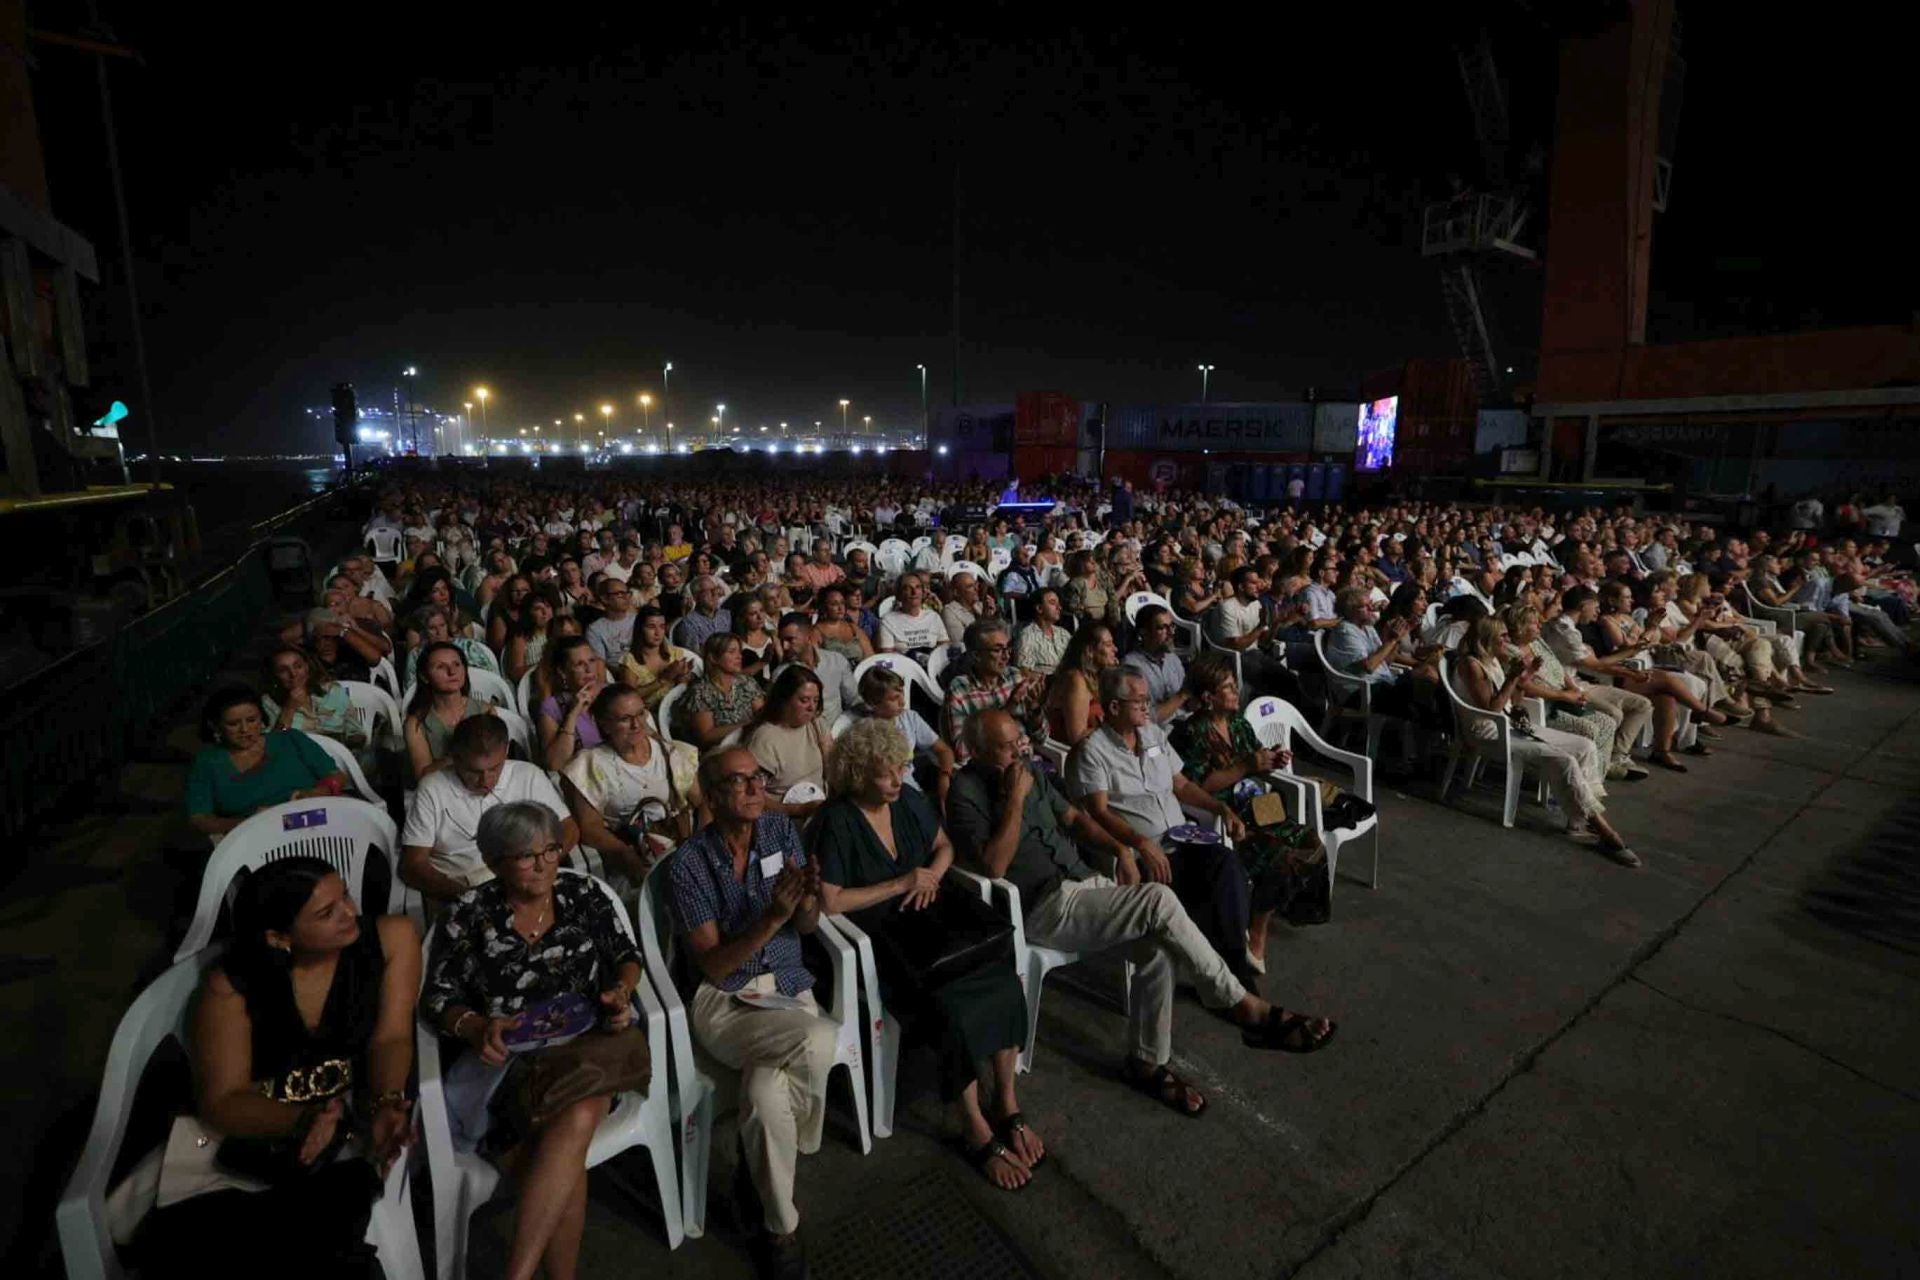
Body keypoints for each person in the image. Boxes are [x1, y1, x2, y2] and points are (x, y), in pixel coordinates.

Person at [949, 710, 1336, 1119]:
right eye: (1004, 747)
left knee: (1156, 944)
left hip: (1084, 884)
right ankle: (1241, 1004)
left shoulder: (1030, 771)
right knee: (1158, 900)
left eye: (1018, 741)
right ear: (975, 750)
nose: (1017, 751)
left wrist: (1119, 849)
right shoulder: (964, 791)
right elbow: (993, 866)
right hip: (1040, 907)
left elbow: (1075, 819)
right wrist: (1013, 800)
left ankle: (1146, 1062)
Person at [141, 859, 420, 1280]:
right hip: (264, 1136)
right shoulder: (234, 985)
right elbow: (222, 1101)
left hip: (345, 1131)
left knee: (331, 1232)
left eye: (344, 894)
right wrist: (305, 1121)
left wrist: (385, 1101)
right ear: (279, 938)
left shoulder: (390, 939)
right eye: (327, 913)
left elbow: (392, 1038)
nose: (350, 913)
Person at [808, 719, 1038, 1190]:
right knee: (948, 1005)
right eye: (885, 773)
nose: (897, 779)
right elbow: (830, 901)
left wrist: (931, 874)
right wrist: (901, 883)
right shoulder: (836, 822)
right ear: (856, 773)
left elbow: (945, 846)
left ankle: (1007, 1103)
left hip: (937, 924)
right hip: (885, 940)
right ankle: (974, 1126)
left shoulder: (908, 800)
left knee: (1003, 978)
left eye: (901, 768)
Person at [419, 804, 642, 1280]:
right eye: (525, 856)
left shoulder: (581, 893)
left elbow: (626, 956)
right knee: (571, 1139)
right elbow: (438, 1000)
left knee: (578, 1110)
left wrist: (621, 993)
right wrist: (477, 1027)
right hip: (508, 1061)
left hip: (585, 1047)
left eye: (550, 851)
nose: (543, 864)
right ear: (495, 861)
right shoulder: (468, 914)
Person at [667, 748, 833, 1279]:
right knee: (818, 1040)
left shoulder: (781, 834)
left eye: (757, 778)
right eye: (736, 782)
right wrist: (772, 917)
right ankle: (800, 1148)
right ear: (711, 797)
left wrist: (806, 900)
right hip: (727, 1001)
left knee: (763, 1097)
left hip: (786, 984)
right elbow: (715, 966)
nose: (753, 788)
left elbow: (806, 927)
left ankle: (778, 1224)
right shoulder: (689, 863)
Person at [1065, 667, 1262, 988]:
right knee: (1214, 885)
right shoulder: (1094, 750)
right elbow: (1097, 812)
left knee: (1229, 866)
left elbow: (1181, 785)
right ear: (1114, 707)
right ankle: (1232, 981)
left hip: (1186, 839)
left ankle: (1228, 967)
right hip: (1144, 852)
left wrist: (1218, 807)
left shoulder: (1154, 735)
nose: (1147, 706)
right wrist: (1141, 844)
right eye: (1139, 701)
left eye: (1147, 699)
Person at [1169, 656, 1327, 969]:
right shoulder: (1190, 734)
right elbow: (1197, 786)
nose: (1235, 692)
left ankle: (1277, 903)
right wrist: (1246, 766)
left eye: (1234, 685)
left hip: (1260, 804)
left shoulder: (1239, 724)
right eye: (1227, 688)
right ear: (1208, 698)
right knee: (1278, 854)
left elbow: (1255, 761)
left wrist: (1272, 759)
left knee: (1312, 842)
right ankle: (1256, 932)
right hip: (1228, 814)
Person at [1452, 617, 1642, 867]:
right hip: (1489, 731)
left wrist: (1523, 677)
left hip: (1512, 724)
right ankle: (1604, 830)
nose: (1508, 641)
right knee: (1564, 760)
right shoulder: (1471, 665)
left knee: (1584, 746)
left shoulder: (1495, 661)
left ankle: (1577, 821)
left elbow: (1515, 703)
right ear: (1487, 640)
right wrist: (1512, 678)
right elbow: (1492, 709)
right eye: (1503, 637)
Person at [399, 715, 576, 902]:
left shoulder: (527, 775)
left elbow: (569, 828)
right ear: (455, 758)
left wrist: (544, 862)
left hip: (527, 875)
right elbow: (414, 865)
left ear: (506, 750)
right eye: (474, 772)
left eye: (494, 769)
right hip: (462, 885)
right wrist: (467, 896)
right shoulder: (432, 789)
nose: (486, 781)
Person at [562, 685, 701, 887]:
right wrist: (625, 853)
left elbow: (700, 802)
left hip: (675, 842)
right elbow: (589, 827)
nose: (637, 725)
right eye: (625, 719)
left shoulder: (669, 754)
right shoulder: (590, 764)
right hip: (624, 851)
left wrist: (696, 846)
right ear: (605, 724)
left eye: (640, 714)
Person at [1502, 605, 1649, 782]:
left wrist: (1573, 688)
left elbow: (1558, 666)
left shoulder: (1536, 642)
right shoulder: (1511, 652)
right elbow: (1524, 686)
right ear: (1521, 626)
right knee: (1592, 729)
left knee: (1608, 723)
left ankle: (1598, 776)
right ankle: (1578, 781)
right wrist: (1565, 696)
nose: (1540, 625)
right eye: (1534, 623)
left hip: (1563, 698)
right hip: (1542, 708)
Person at [186, 687, 351, 840]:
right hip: (259, 836)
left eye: (252, 720)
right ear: (215, 726)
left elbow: (335, 775)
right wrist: (246, 822)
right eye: (233, 724)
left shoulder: (290, 739)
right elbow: (199, 818)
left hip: (316, 819)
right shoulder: (207, 762)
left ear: (261, 717)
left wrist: (315, 792)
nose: (245, 730)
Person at [943, 619, 1047, 762]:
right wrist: (1008, 709)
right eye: (998, 650)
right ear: (976, 656)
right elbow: (962, 753)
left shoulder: (1014, 676)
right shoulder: (961, 689)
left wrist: (1034, 708)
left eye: (1007, 648)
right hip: (993, 770)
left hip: (1029, 760)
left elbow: (1042, 737)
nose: (1007, 656)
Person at [852, 665, 956, 808]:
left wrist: (945, 776)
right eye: (894, 698)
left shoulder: (909, 718)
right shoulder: (866, 730)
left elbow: (944, 750)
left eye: (901, 693)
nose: (902, 701)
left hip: (911, 787)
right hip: (887, 793)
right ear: (873, 703)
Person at [744, 666, 833, 819]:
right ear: (784, 700)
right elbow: (752, 796)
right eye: (804, 700)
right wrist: (797, 810)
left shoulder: (816, 724)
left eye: (816, 700)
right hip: (781, 817)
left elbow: (833, 769)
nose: (811, 707)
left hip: (818, 812)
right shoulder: (765, 739)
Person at [403, 641, 499, 782]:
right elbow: (422, 776)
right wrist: (463, 756)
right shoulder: (415, 724)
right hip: (442, 790)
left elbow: (497, 760)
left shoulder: (485, 710)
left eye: (457, 664)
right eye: (441, 667)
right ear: (424, 676)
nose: (452, 672)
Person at [260, 645, 365, 752]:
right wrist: (289, 708)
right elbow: (273, 745)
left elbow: (356, 732)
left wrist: (343, 744)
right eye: (283, 670)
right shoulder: (268, 702)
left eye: (298, 666)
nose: (293, 674)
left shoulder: (333, 691)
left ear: (307, 667)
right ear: (274, 676)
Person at [679, 632, 767, 751]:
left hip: (752, 743)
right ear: (713, 658)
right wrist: (744, 726)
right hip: (720, 751)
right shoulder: (701, 691)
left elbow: (761, 714)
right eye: (732, 652)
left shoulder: (746, 682)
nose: (739, 656)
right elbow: (706, 736)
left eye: (739, 652)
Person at [538, 636, 610, 773]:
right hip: (581, 776)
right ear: (563, 672)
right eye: (579, 664)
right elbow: (554, 764)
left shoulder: (612, 693)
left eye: (592, 661)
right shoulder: (552, 707)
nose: (589, 669)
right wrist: (572, 714)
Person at [773, 611, 858, 726]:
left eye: (790, 640)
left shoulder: (836, 661)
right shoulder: (781, 674)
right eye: (782, 640)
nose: (785, 646)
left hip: (838, 731)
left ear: (809, 637)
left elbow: (853, 699)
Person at [1043, 621, 1119, 748]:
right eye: (1108, 645)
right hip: (1075, 755)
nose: (1115, 649)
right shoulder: (1076, 680)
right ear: (1090, 651)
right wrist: (1114, 727)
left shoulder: (1097, 677)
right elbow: (1076, 736)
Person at [617, 604, 700, 713]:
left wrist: (684, 677)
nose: (658, 633)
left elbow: (684, 687)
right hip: (649, 715)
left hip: (678, 709)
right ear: (640, 629)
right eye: (651, 627)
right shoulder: (629, 661)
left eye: (662, 626)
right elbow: (629, 698)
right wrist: (664, 679)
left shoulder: (675, 653)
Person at [1122, 603, 1189, 724]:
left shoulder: (1172, 659)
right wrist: (1182, 695)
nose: (1171, 633)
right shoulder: (1131, 665)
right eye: (1162, 628)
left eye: (1172, 626)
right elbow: (1146, 718)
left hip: (1184, 723)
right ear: (1143, 633)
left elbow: (1186, 705)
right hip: (1157, 734)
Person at [504, 585, 565, 683]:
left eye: (548, 607)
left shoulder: (557, 634)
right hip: (533, 687)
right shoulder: (521, 638)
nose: (544, 612)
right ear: (528, 613)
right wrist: (541, 668)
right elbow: (515, 673)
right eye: (538, 609)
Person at [878, 571, 948, 656]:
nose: (914, 592)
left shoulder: (933, 617)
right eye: (908, 588)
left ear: (923, 592)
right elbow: (888, 656)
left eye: (918, 587)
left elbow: (945, 648)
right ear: (899, 594)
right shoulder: (888, 621)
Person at [1013, 586, 1071, 675]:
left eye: (1059, 604)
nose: (1059, 607)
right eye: (1052, 603)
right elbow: (1024, 671)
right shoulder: (1027, 635)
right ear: (1039, 608)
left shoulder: (1064, 634)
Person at [584, 576, 639, 669]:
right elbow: (600, 664)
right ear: (605, 599)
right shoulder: (595, 629)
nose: (626, 597)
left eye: (627, 593)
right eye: (619, 594)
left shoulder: (639, 620)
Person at [672, 575, 734, 653]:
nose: (714, 593)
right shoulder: (689, 624)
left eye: (715, 589)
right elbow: (694, 655)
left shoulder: (726, 615)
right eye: (708, 591)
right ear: (696, 597)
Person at [813, 585, 873, 664]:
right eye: (834, 604)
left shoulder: (853, 628)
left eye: (842, 603)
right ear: (824, 607)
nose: (840, 608)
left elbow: (870, 657)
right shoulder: (816, 632)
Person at [731, 595, 783, 680]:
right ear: (742, 617)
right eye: (753, 614)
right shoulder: (737, 643)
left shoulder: (773, 638)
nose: (760, 617)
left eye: (761, 611)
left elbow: (782, 666)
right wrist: (762, 662)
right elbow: (735, 676)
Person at [941, 571, 983, 645]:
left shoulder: (981, 606)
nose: (976, 588)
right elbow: (960, 642)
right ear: (956, 592)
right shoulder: (950, 611)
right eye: (970, 586)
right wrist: (985, 619)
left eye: (976, 584)